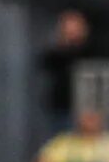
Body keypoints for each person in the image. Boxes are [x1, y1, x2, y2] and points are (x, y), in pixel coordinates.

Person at [38, 9, 91, 137]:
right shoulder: (57, 52)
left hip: (87, 107)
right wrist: (65, 43)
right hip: (62, 107)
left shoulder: (90, 50)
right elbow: (45, 62)